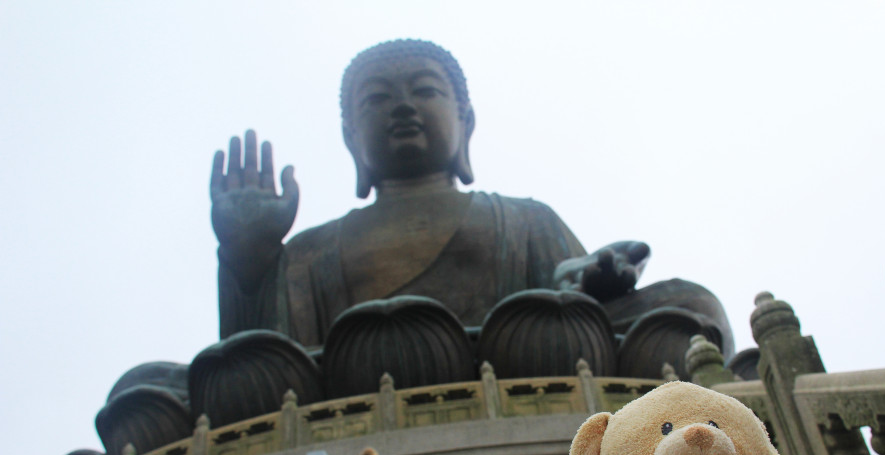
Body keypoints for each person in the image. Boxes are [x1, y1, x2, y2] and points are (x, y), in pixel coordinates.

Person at [209, 39, 734, 357]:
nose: (403, 107)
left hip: (521, 358)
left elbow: (571, 303)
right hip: (358, 376)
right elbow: (266, 354)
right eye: (378, 98)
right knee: (144, 388)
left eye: (425, 90)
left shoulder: (523, 219)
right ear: (351, 140)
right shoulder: (310, 250)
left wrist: (587, 281)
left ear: (466, 123)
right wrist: (248, 261)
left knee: (692, 306)